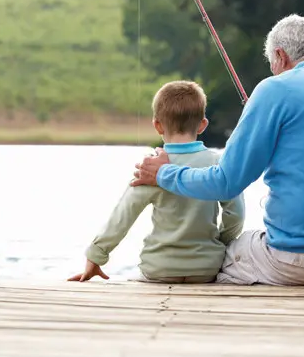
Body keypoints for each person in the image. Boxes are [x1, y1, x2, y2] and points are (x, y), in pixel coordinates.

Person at [131, 14, 304, 286]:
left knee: (223, 256)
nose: (272, 72)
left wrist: (164, 174)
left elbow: (225, 182)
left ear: (280, 56)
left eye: (271, 65)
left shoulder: (274, 89)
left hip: (303, 263)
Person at [69, 80, 246, 284]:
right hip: (207, 268)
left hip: (160, 267)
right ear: (203, 124)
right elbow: (236, 214)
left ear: (157, 125)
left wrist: (96, 256)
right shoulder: (217, 164)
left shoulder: (151, 167)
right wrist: (219, 244)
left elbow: (123, 215)